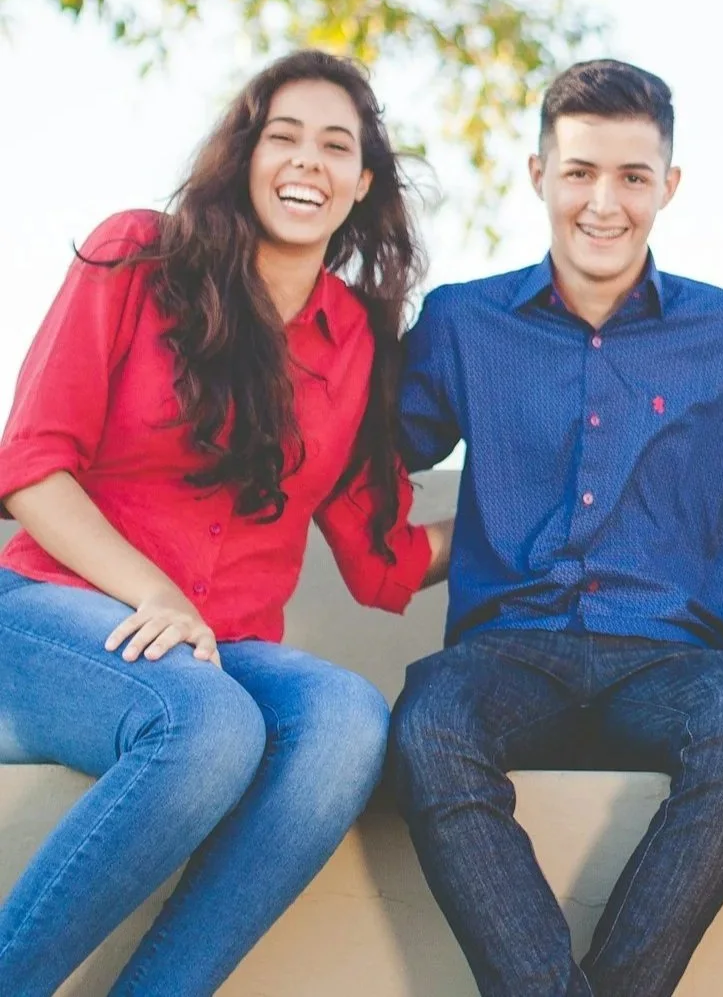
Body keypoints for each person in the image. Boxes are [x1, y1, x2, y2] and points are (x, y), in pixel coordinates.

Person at [0, 50, 450, 997]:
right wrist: (153, 591)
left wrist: (542, 521)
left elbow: (384, 559)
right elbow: (31, 466)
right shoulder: (137, 256)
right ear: (245, 156)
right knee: (205, 726)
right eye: (283, 136)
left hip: (219, 647)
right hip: (51, 607)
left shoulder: (359, 337)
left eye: (336, 146)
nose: (306, 161)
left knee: (345, 721)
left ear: (361, 183)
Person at [386, 59, 723, 997]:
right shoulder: (462, 320)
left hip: (668, 657)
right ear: (538, 174)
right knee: (426, 723)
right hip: (506, 650)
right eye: (578, 171)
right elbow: (361, 459)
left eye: (631, 175)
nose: (602, 201)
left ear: (669, 185)